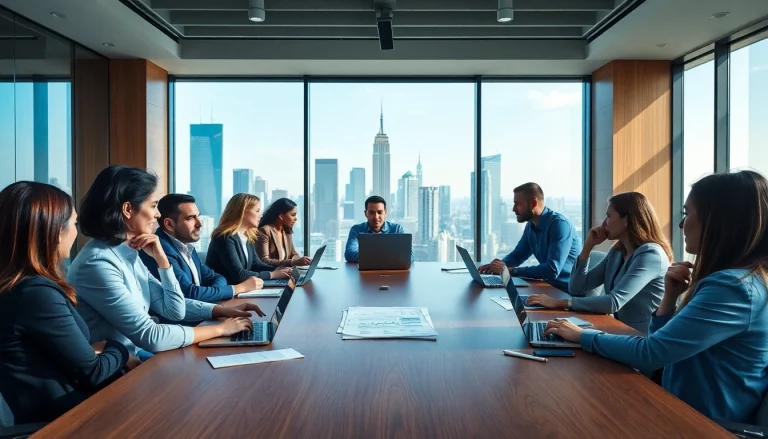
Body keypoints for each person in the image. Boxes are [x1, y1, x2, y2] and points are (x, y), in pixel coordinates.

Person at [544, 170, 768, 424]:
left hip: (698, 422)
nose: (681, 224)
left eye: (686, 214)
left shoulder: (733, 287)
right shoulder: (734, 280)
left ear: (718, 220)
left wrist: (582, 335)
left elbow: (652, 351)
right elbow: (661, 342)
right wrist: (669, 298)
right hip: (673, 401)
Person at [68, 166, 264, 360]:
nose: (158, 215)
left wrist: (164, 264)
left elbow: (174, 309)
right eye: (153, 206)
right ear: (127, 209)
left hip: (135, 355)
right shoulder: (97, 263)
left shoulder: (127, 253)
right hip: (119, 367)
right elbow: (151, 336)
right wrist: (220, 329)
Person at [0, 182, 139, 424]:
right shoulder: (36, 293)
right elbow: (93, 372)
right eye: (73, 224)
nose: (77, 232)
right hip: (70, 420)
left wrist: (97, 349)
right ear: (53, 232)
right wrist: (118, 348)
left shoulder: (14, 287)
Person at [526, 192, 672, 334]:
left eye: (609, 216)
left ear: (627, 220)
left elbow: (613, 303)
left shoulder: (650, 255)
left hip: (643, 339)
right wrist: (587, 247)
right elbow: (577, 288)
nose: (603, 223)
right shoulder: (617, 252)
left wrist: (559, 302)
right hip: (620, 332)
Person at [140, 194, 264, 303]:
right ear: (169, 224)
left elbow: (216, 277)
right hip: (182, 324)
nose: (199, 223)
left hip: (203, 312)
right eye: (190, 218)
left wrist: (215, 292)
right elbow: (190, 293)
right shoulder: (159, 249)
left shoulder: (188, 247)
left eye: (198, 216)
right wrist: (239, 288)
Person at [478, 183, 580, 292]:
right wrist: (497, 267)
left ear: (533, 203)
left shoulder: (560, 225)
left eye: (518, 204)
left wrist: (510, 271)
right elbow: (518, 255)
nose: (513, 209)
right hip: (547, 287)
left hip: (567, 293)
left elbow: (552, 270)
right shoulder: (531, 225)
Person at [206, 193, 292, 284]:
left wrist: (282, 270)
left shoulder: (246, 236)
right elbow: (239, 275)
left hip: (242, 291)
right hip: (225, 294)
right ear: (243, 212)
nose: (261, 215)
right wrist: (273, 274)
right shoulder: (224, 237)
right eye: (257, 211)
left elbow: (256, 265)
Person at [344, 195, 415, 263]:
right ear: (366, 214)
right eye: (371, 213)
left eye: (380, 212)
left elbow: (410, 255)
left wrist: (370, 257)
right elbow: (349, 253)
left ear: (385, 212)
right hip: (366, 273)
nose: (376, 217)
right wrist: (389, 257)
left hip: (392, 272)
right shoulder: (356, 230)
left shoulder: (396, 229)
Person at [256, 198, 312, 267]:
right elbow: (263, 260)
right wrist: (293, 262)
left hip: (284, 273)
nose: (296, 218)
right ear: (281, 216)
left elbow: (293, 254)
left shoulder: (286, 231)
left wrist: (305, 260)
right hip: (272, 274)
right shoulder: (265, 231)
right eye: (293, 215)